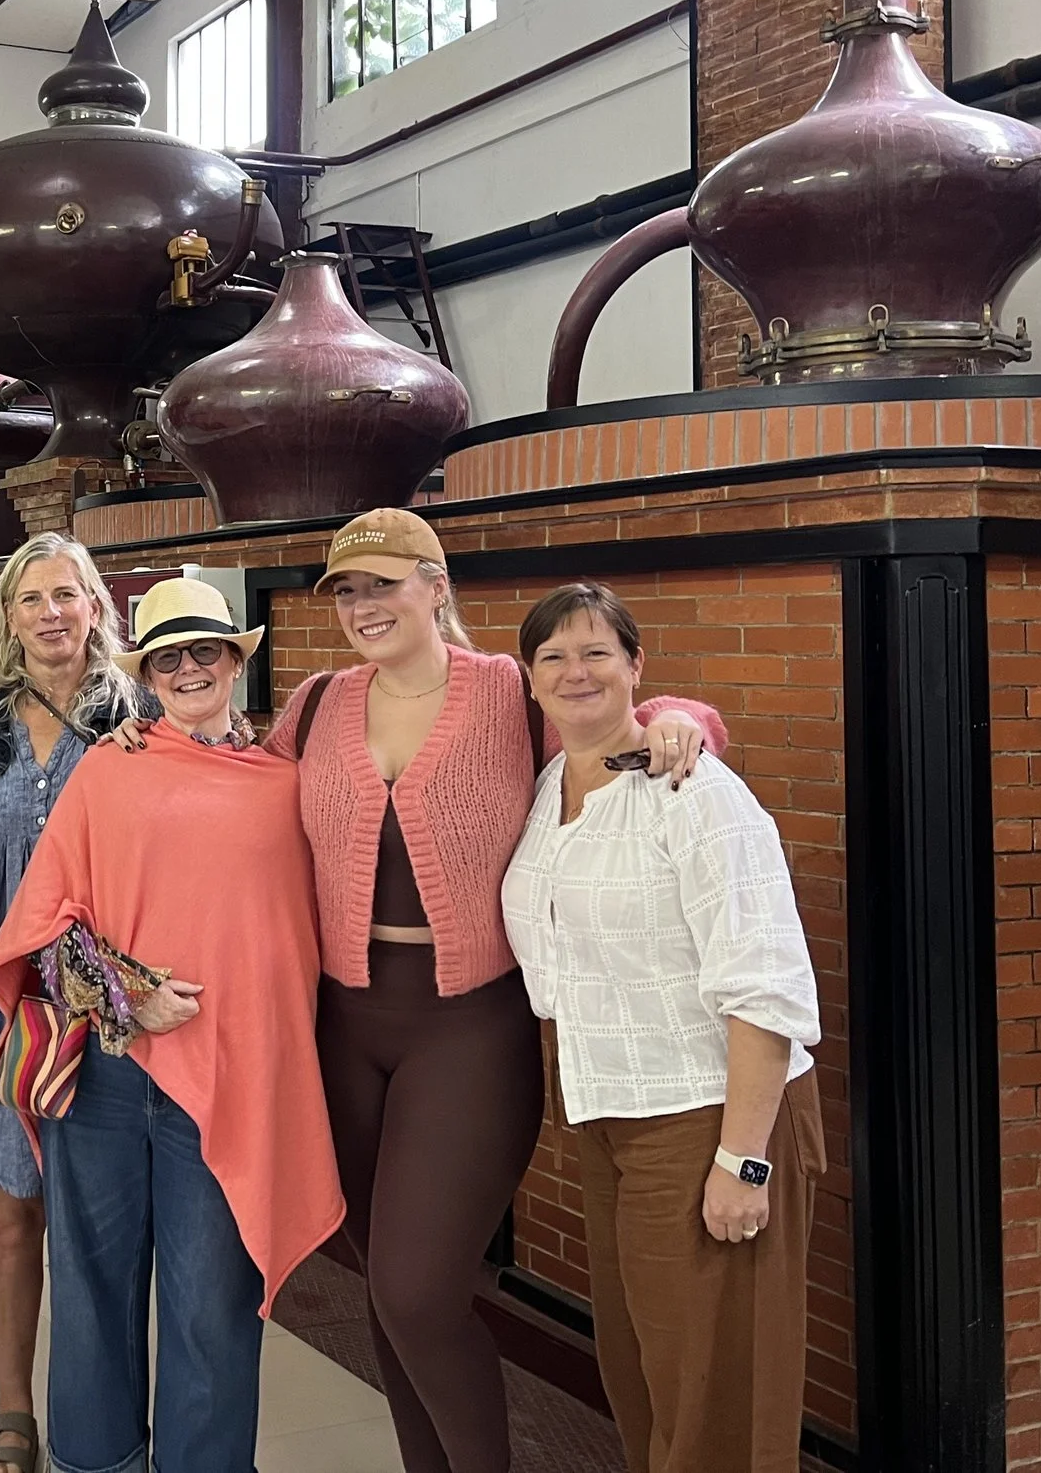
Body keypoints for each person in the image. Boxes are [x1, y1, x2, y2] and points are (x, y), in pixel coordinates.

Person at [261, 509, 722, 1473]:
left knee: (422, 1288)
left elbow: (620, 715)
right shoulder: (311, 705)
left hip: (468, 1026)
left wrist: (688, 719)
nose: (363, 606)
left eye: (384, 583)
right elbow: (234, 811)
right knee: (384, 1290)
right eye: (347, 590)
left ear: (436, 585)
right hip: (342, 1025)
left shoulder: (511, 693)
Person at [0, 577, 342, 1473]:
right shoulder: (111, 768)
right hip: (106, 1074)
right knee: (93, 1291)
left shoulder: (287, 783)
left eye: (206, 651)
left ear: (235, 661)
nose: (189, 668)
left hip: (230, 1083)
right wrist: (124, 991)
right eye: (169, 656)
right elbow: (41, 924)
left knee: (210, 1304)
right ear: (147, 671)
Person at [501, 582, 823, 1473]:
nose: (576, 671)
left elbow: (765, 983)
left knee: (714, 1391)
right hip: (608, 1113)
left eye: (598, 651)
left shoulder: (692, 789)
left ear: (636, 666)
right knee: (645, 1376)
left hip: (711, 1112)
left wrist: (743, 1160)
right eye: (554, 656)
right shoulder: (545, 788)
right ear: (529, 679)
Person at [0, 534, 152, 1473]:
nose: (50, 613)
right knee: (6, 1213)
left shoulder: (141, 715)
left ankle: (98, 1417)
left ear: (95, 607)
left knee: (96, 1221)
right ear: (8, 616)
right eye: (31, 598)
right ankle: (13, 1409)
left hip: (101, 1003)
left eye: (66, 594)